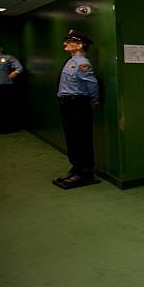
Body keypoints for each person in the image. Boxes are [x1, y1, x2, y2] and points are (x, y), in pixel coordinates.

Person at [54, 30, 99, 189]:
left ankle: (85, 171)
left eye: (69, 41)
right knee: (72, 137)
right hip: (67, 103)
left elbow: (91, 82)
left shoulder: (82, 63)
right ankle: (76, 167)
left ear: (80, 45)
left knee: (81, 138)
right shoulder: (71, 61)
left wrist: (94, 97)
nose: (65, 44)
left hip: (78, 103)